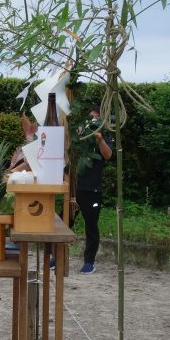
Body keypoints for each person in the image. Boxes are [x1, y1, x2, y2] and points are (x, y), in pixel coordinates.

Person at [74, 104, 113, 274]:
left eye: (96, 118)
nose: (93, 121)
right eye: (90, 118)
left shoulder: (105, 137)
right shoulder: (79, 138)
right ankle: (54, 257)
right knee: (64, 222)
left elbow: (108, 155)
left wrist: (100, 139)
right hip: (75, 189)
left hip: (93, 191)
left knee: (91, 226)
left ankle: (89, 261)